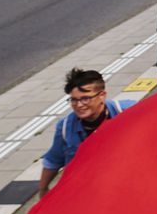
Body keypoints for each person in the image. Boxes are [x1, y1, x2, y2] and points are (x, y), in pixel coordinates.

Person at [38, 68, 135, 199]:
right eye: (73, 100)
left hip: (127, 186)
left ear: (102, 95)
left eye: (85, 99)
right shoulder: (65, 127)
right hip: (87, 193)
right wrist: (43, 190)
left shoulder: (130, 112)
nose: (79, 105)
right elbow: (53, 160)